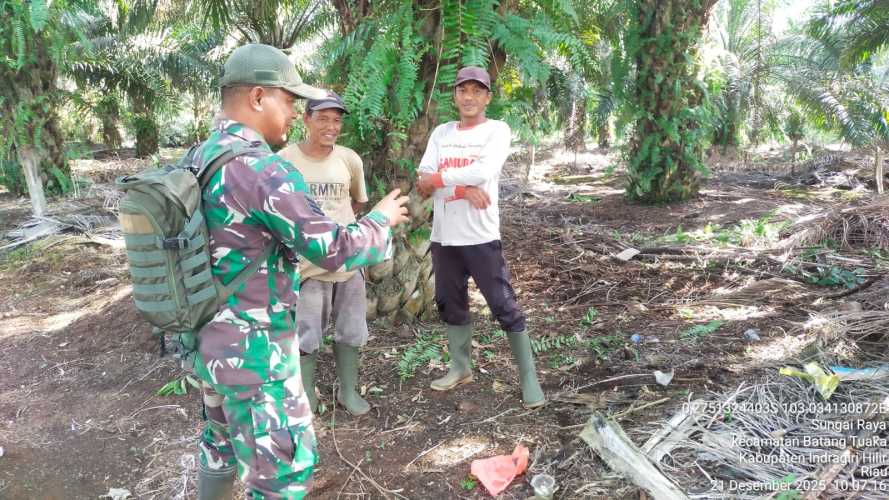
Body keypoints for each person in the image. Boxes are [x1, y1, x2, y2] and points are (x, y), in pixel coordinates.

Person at [190, 44, 409, 499]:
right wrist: (381, 220)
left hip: (209, 340)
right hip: (256, 353)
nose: (292, 112)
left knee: (219, 446)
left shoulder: (202, 156)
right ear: (256, 98)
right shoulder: (261, 170)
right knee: (283, 476)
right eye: (288, 100)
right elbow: (331, 249)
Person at [416, 66, 545, 409]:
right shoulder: (441, 133)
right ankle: (460, 367)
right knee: (449, 301)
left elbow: (482, 171)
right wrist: (460, 188)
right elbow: (423, 181)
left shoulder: (497, 131)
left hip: (480, 236)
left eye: (477, 91)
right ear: (455, 95)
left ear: (488, 97)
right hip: (444, 237)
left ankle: (529, 377)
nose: (469, 97)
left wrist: (442, 182)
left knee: (503, 305)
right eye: (463, 90)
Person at [278, 92, 372, 416]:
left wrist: (340, 234)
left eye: (336, 120)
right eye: (322, 118)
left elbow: (356, 203)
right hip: (307, 267)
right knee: (307, 333)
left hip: (348, 263)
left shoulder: (349, 159)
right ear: (306, 119)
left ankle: (348, 392)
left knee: (351, 328)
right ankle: (307, 395)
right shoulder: (286, 159)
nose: (331, 126)